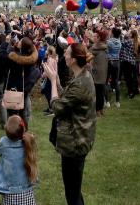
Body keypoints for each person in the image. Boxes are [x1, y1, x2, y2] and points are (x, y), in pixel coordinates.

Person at [50, 42, 97, 205]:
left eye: (67, 53)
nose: (64, 55)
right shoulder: (81, 76)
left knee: (72, 192)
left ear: (75, 59)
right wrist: (56, 80)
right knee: (73, 190)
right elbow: (68, 98)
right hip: (77, 139)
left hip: (75, 142)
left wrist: (51, 84)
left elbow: (58, 107)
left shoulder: (81, 82)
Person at [0, 115, 39, 205]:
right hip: (26, 188)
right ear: (23, 129)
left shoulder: (4, 143)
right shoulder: (27, 142)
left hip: (10, 189)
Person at [91, 30, 109, 117]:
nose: (93, 38)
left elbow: (88, 57)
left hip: (97, 73)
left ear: (98, 38)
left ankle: (98, 110)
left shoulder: (95, 48)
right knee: (101, 92)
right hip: (103, 72)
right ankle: (100, 109)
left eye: (95, 36)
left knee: (97, 93)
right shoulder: (105, 47)